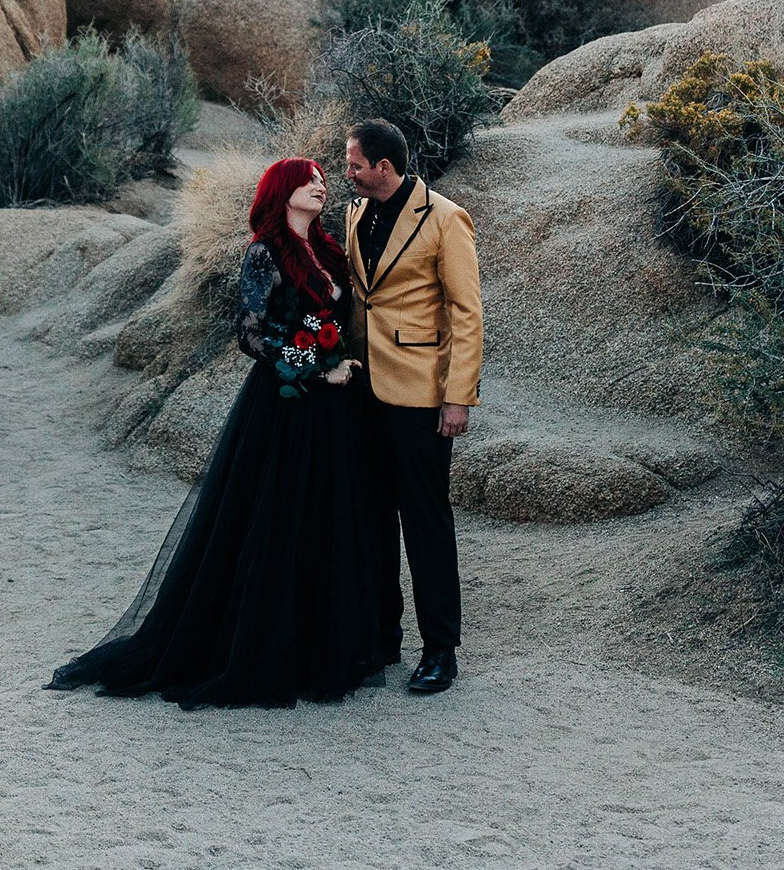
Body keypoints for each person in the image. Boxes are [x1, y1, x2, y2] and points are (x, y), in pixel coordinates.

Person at [46, 157, 391, 708]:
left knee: (325, 516)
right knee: (273, 519)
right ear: (281, 190)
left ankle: (318, 647)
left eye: (323, 180)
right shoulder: (263, 252)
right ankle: (257, 647)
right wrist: (314, 366)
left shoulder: (328, 251)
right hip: (283, 406)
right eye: (309, 180)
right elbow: (251, 335)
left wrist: (340, 360)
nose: (320, 186)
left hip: (333, 409)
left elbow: (338, 320)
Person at [344, 119, 483, 697]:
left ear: (385, 166)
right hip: (360, 392)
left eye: (355, 164)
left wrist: (458, 396)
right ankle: (382, 639)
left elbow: (466, 313)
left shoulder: (446, 218)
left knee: (425, 522)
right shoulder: (355, 213)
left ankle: (440, 651)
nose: (348, 173)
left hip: (421, 396)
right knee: (372, 520)